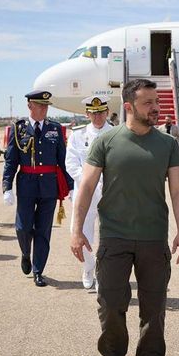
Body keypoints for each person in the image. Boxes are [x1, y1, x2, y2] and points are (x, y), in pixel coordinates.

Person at [70, 78, 179, 356]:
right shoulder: (106, 142)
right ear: (128, 107)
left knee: (154, 310)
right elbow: (86, 186)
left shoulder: (168, 144)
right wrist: (77, 230)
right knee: (110, 304)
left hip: (153, 238)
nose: (156, 107)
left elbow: (178, 189)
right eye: (148, 102)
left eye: (156, 101)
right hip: (114, 237)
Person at [2, 91, 74, 287]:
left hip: (49, 186)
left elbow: (63, 160)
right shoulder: (18, 129)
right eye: (40, 105)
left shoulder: (55, 128)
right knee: (23, 227)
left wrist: (71, 186)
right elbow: (11, 160)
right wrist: (7, 186)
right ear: (29, 106)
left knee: (43, 231)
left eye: (46, 105)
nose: (44, 108)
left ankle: (38, 270)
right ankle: (26, 253)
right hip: (26, 184)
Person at [65, 96, 113, 290]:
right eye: (93, 113)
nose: (97, 117)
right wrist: (88, 181)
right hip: (85, 192)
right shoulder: (78, 134)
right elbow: (71, 164)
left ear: (107, 112)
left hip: (110, 191)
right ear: (87, 114)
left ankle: (103, 273)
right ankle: (88, 266)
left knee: (110, 235)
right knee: (79, 232)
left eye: (101, 112)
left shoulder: (117, 133)